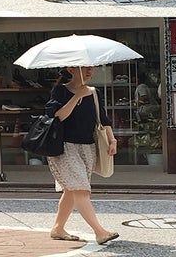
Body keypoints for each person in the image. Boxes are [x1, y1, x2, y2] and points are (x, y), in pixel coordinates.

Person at [44, 66, 119, 244]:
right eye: (84, 67)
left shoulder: (94, 92)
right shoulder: (60, 91)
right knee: (80, 189)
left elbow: (103, 118)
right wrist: (77, 96)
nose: (89, 71)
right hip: (64, 147)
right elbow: (57, 116)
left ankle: (58, 228)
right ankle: (100, 231)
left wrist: (112, 139)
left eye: (91, 68)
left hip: (88, 147)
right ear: (71, 69)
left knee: (72, 190)